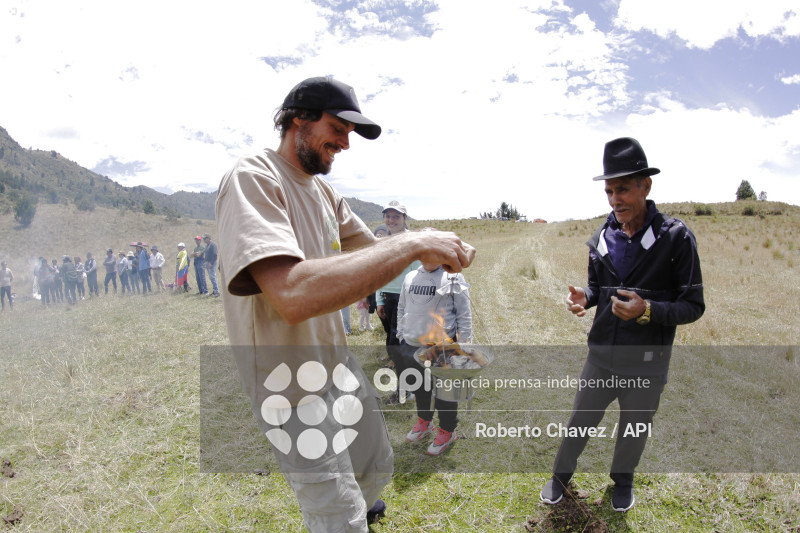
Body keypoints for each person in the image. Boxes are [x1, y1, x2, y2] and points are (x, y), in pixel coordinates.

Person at [215, 76, 475, 533]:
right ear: (299, 117)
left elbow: (374, 256)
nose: (346, 142)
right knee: (336, 510)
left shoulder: (325, 192)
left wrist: (430, 253)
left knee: (375, 462)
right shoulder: (254, 177)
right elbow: (291, 295)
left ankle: (366, 512)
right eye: (337, 127)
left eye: (350, 133)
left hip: (335, 364)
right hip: (288, 385)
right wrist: (412, 243)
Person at [540, 137, 705, 512]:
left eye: (624, 189)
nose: (615, 200)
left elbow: (693, 305)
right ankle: (560, 477)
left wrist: (647, 311)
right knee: (579, 421)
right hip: (601, 357)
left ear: (646, 186)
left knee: (634, 429)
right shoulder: (602, 236)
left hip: (647, 362)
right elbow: (599, 286)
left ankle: (623, 482)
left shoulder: (676, 238)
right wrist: (586, 295)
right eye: (610, 191)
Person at [397, 256, 472, 455]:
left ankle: (447, 431)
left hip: (441, 347)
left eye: (434, 251)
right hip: (411, 344)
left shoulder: (453, 277)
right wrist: (400, 333)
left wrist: (465, 342)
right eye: (424, 250)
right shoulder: (411, 276)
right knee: (420, 387)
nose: (429, 255)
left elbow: (464, 313)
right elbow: (402, 307)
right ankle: (424, 421)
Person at [376, 201, 421, 404]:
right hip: (388, 297)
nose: (391, 220)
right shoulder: (384, 242)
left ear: (404, 218)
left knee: (402, 345)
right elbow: (381, 274)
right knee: (395, 345)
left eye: (396, 216)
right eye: (388, 216)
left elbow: (417, 272)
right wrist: (379, 299)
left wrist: (413, 301)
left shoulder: (412, 241)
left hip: (406, 298)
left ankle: (407, 390)